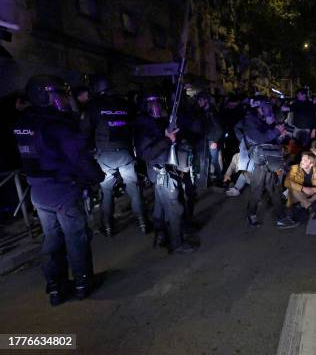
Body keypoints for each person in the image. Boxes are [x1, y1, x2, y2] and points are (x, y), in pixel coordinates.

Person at [14, 75, 104, 305]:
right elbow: (79, 157)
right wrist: (96, 177)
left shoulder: (23, 121)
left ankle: (56, 288)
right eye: (61, 94)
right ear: (47, 95)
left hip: (38, 190)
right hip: (63, 189)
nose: (65, 99)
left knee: (52, 239)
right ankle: (83, 283)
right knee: (76, 237)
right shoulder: (57, 124)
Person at [81, 74, 145, 237]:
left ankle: (108, 226)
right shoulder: (125, 104)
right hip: (125, 153)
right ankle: (142, 221)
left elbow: (85, 132)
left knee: (106, 191)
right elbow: (135, 126)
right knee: (133, 188)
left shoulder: (93, 106)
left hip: (104, 156)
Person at [134, 91, 194, 253]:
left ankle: (161, 234)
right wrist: (167, 140)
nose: (156, 106)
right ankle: (177, 243)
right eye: (151, 102)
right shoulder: (144, 126)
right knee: (175, 208)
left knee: (160, 206)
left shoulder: (158, 122)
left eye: (157, 102)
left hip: (166, 169)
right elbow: (146, 154)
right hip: (161, 171)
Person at [235, 97, 298, 228]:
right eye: (267, 106)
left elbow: (267, 136)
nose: (269, 109)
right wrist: (277, 131)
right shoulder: (250, 120)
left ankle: (279, 217)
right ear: (260, 107)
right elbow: (259, 138)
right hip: (260, 160)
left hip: (266, 158)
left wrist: (277, 131)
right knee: (260, 189)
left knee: (272, 187)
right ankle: (254, 215)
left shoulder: (258, 118)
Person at [192, 92, 224, 188]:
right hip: (205, 140)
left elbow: (219, 129)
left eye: (200, 100)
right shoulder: (202, 111)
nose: (198, 102)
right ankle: (207, 180)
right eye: (198, 100)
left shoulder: (212, 112)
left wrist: (214, 140)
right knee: (206, 160)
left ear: (206, 100)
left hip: (211, 140)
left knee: (214, 161)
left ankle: (219, 180)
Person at [284, 151, 316, 221]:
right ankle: (309, 207)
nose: (301, 162)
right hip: (299, 194)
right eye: (301, 159)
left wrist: (315, 189)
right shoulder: (294, 168)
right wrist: (303, 188)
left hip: (312, 194)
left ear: (311, 164)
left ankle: (303, 204)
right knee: (294, 190)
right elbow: (286, 182)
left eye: (305, 160)